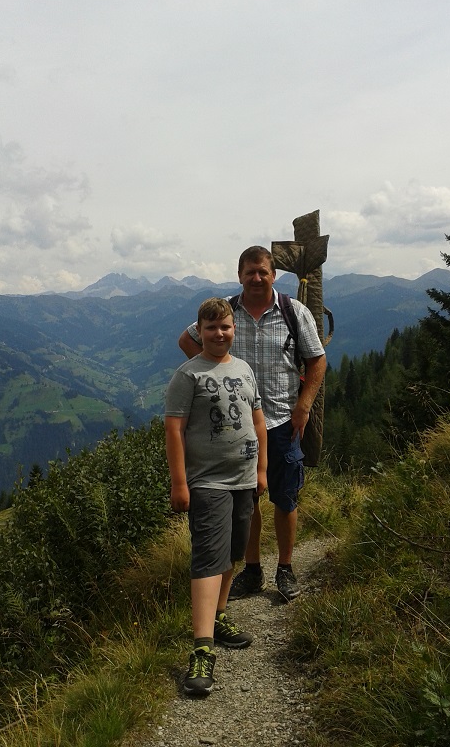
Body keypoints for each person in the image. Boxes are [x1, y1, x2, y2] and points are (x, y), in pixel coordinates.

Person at [178, 246, 326, 602]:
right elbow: (187, 340)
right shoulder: (226, 311)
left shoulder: (294, 312)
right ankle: (254, 569)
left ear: (274, 274)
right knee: (249, 502)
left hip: (283, 422)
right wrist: (212, 376)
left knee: (285, 499)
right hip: (237, 427)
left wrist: (304, 407)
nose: (256, 278)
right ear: (239, 274)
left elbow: (317, 360)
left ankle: (286, 569)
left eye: (262, 272)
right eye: (249, 272)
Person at [165, 297, 268, 695]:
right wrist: (180, 483)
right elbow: (174, 430)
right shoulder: (187, 375)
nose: (219, 334)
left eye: (225, 327)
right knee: (209, 558)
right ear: (199, 332)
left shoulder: (244, 370)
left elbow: (258, 422)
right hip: (207, 482)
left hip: (244, 479)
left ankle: (220, 615)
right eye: (211, 329)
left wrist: (260, 470)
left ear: (233, 329)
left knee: (233, 553)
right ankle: (202, 649)